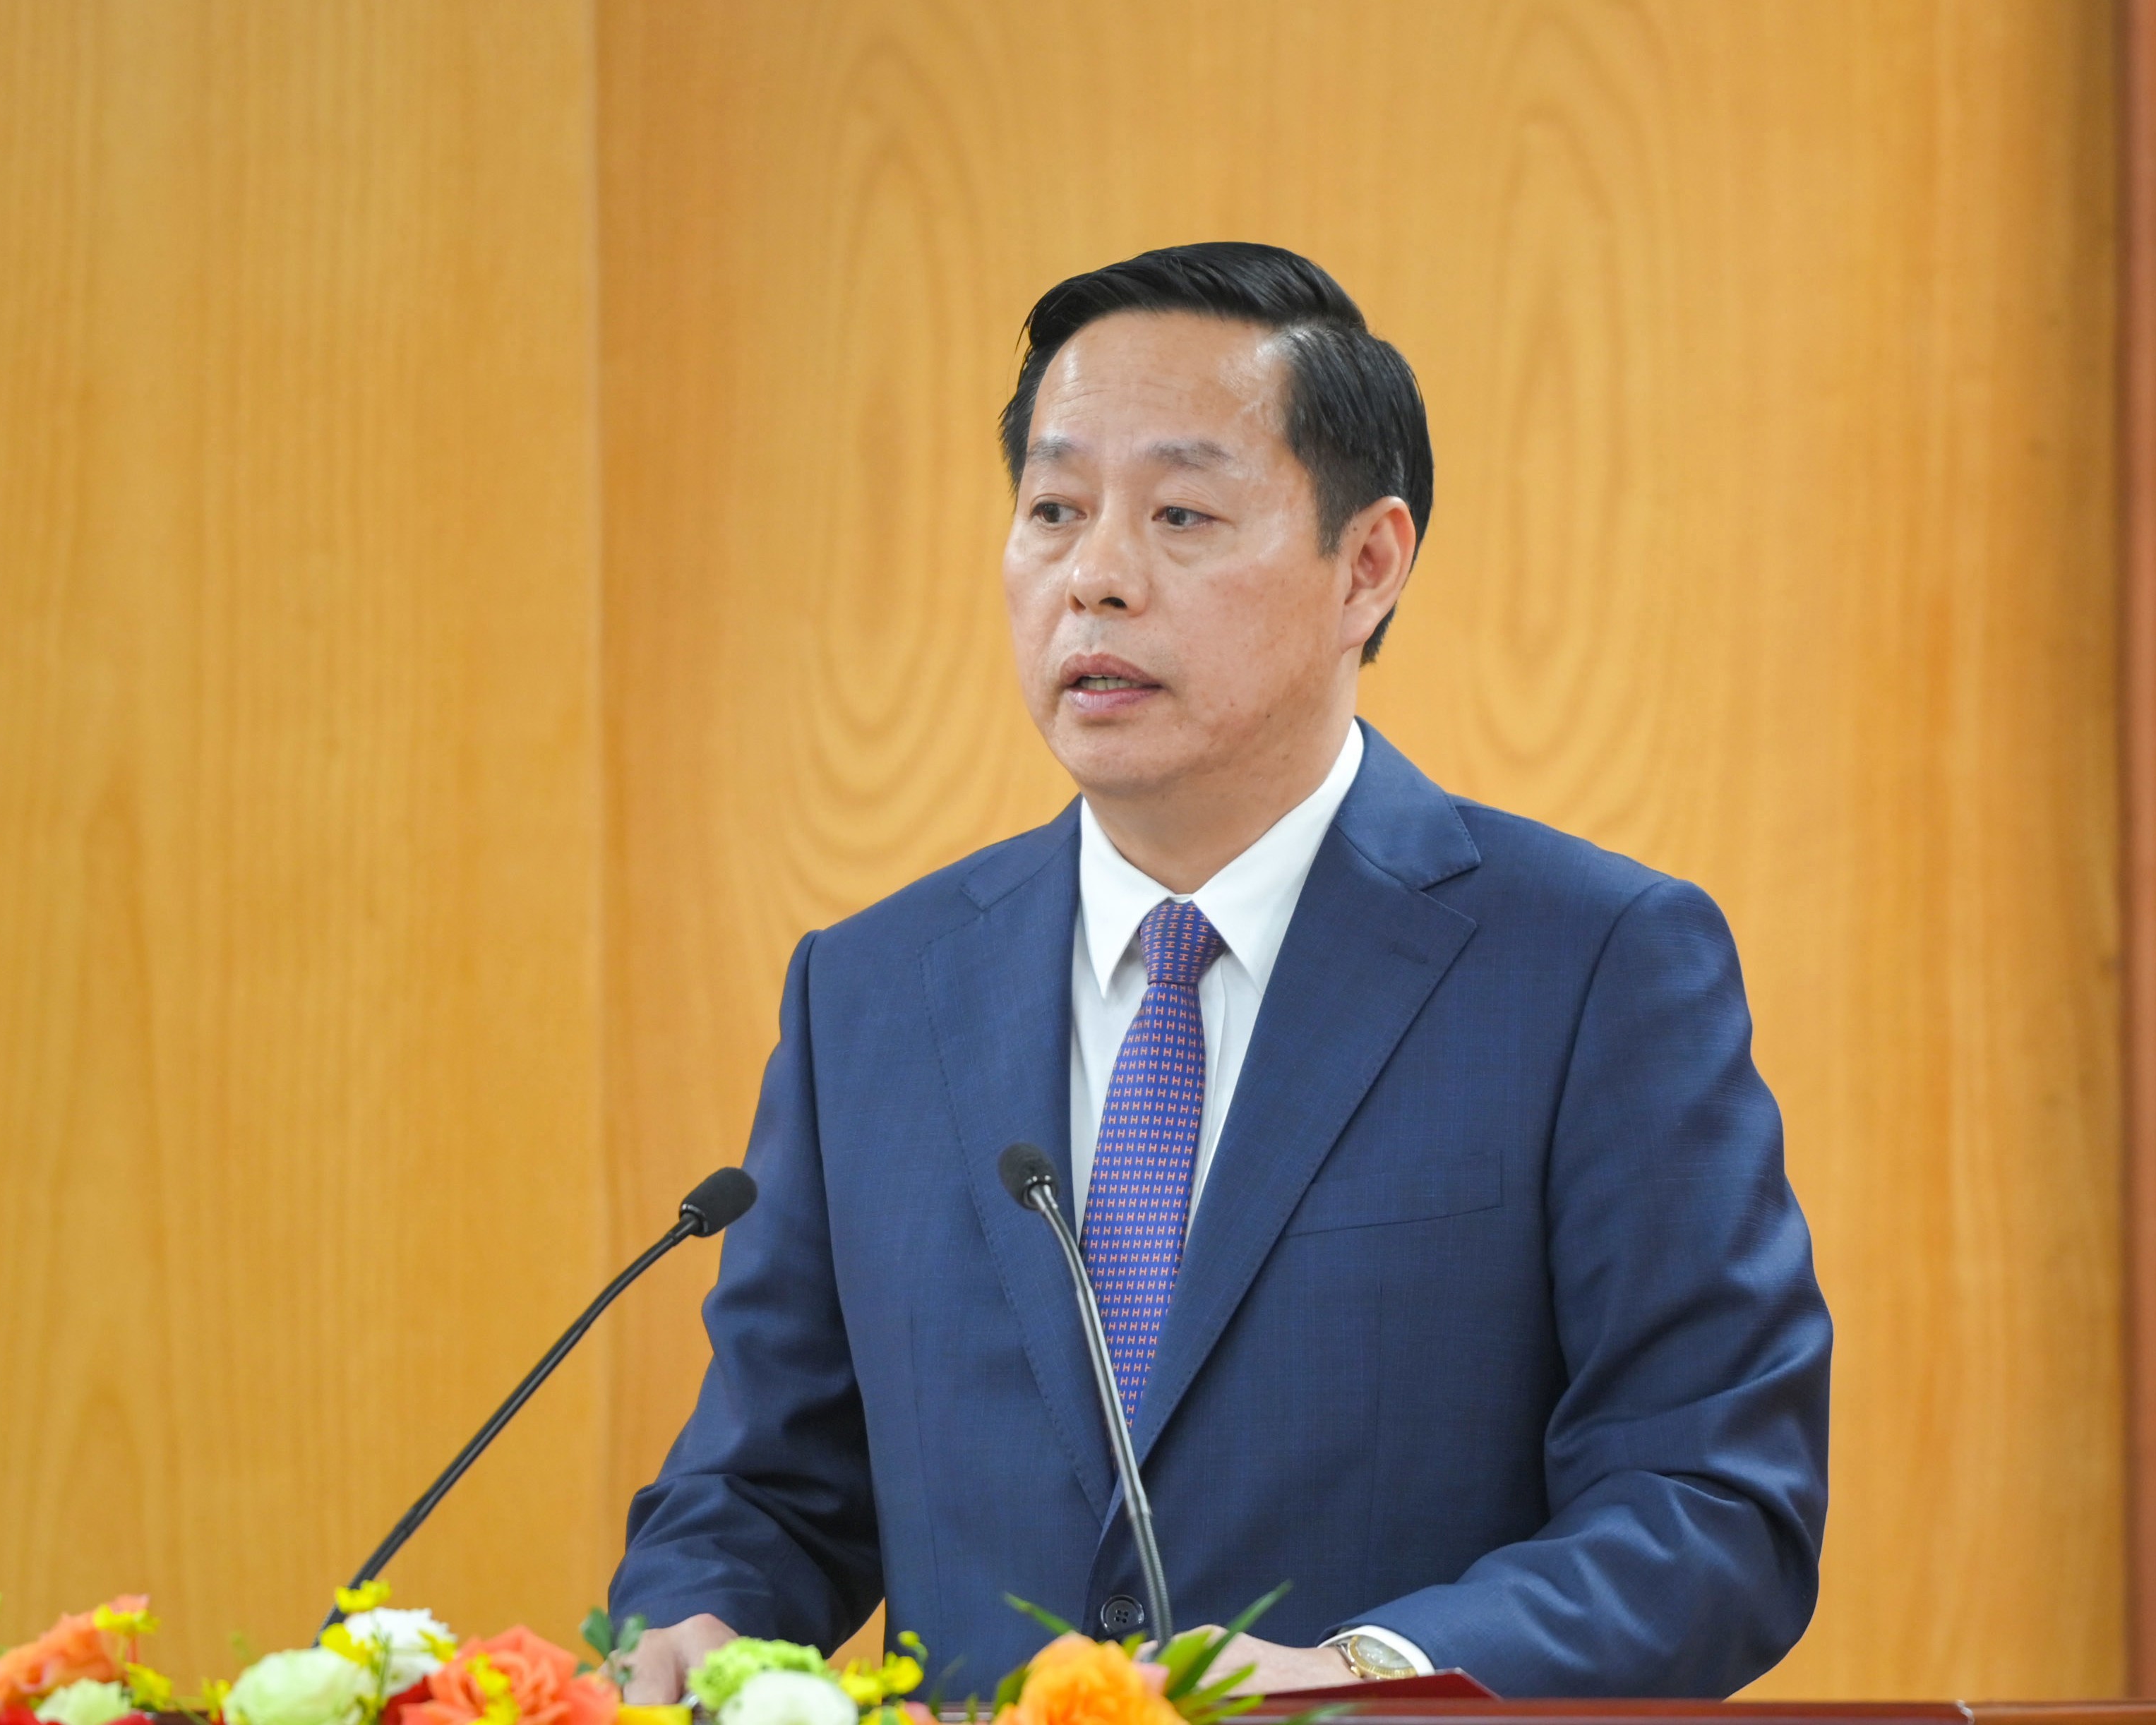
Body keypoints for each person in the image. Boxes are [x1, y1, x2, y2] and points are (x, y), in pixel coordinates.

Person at [607, 243, 1830, 1702]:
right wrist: (690, 1618)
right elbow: (763, 1491)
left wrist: (1360, 1676)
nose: (1095, 578)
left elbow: (1708, 1500)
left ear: (1365, 567)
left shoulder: (1590, 967)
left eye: (1180, 513)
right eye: (1053, 510)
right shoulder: (871, 993)